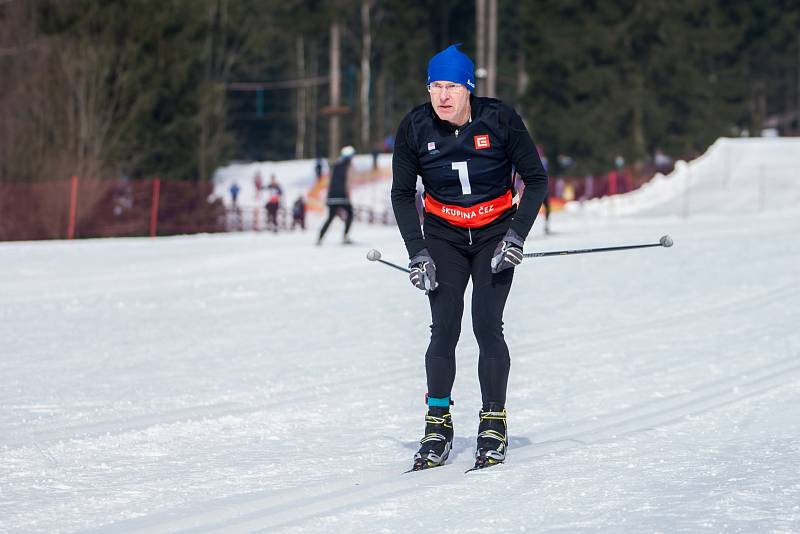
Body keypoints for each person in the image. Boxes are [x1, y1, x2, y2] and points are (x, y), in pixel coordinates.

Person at [390, 44, 548, 471]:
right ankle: (437, 425)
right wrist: (417, 252)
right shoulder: (415, 126)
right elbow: (403, 194)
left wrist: (516, 236)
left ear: (469, 89)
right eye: (435, 86)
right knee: (443, 327)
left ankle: (493, 422)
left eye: (452, 87)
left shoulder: (499, 119)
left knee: (486, 324)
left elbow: (535, 180)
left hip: (495, 233)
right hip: (444, 235)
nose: (443, 96)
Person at [317, 145, 355, 245]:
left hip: (332, 196)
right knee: (350, 214)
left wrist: (328, 196)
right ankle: (345, 236)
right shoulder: (348, 166)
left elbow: (330, 182)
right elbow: (347, 182)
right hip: (342, 196)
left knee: (330, 217)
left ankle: (320, 236)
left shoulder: (335, 166)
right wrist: (348, 196)